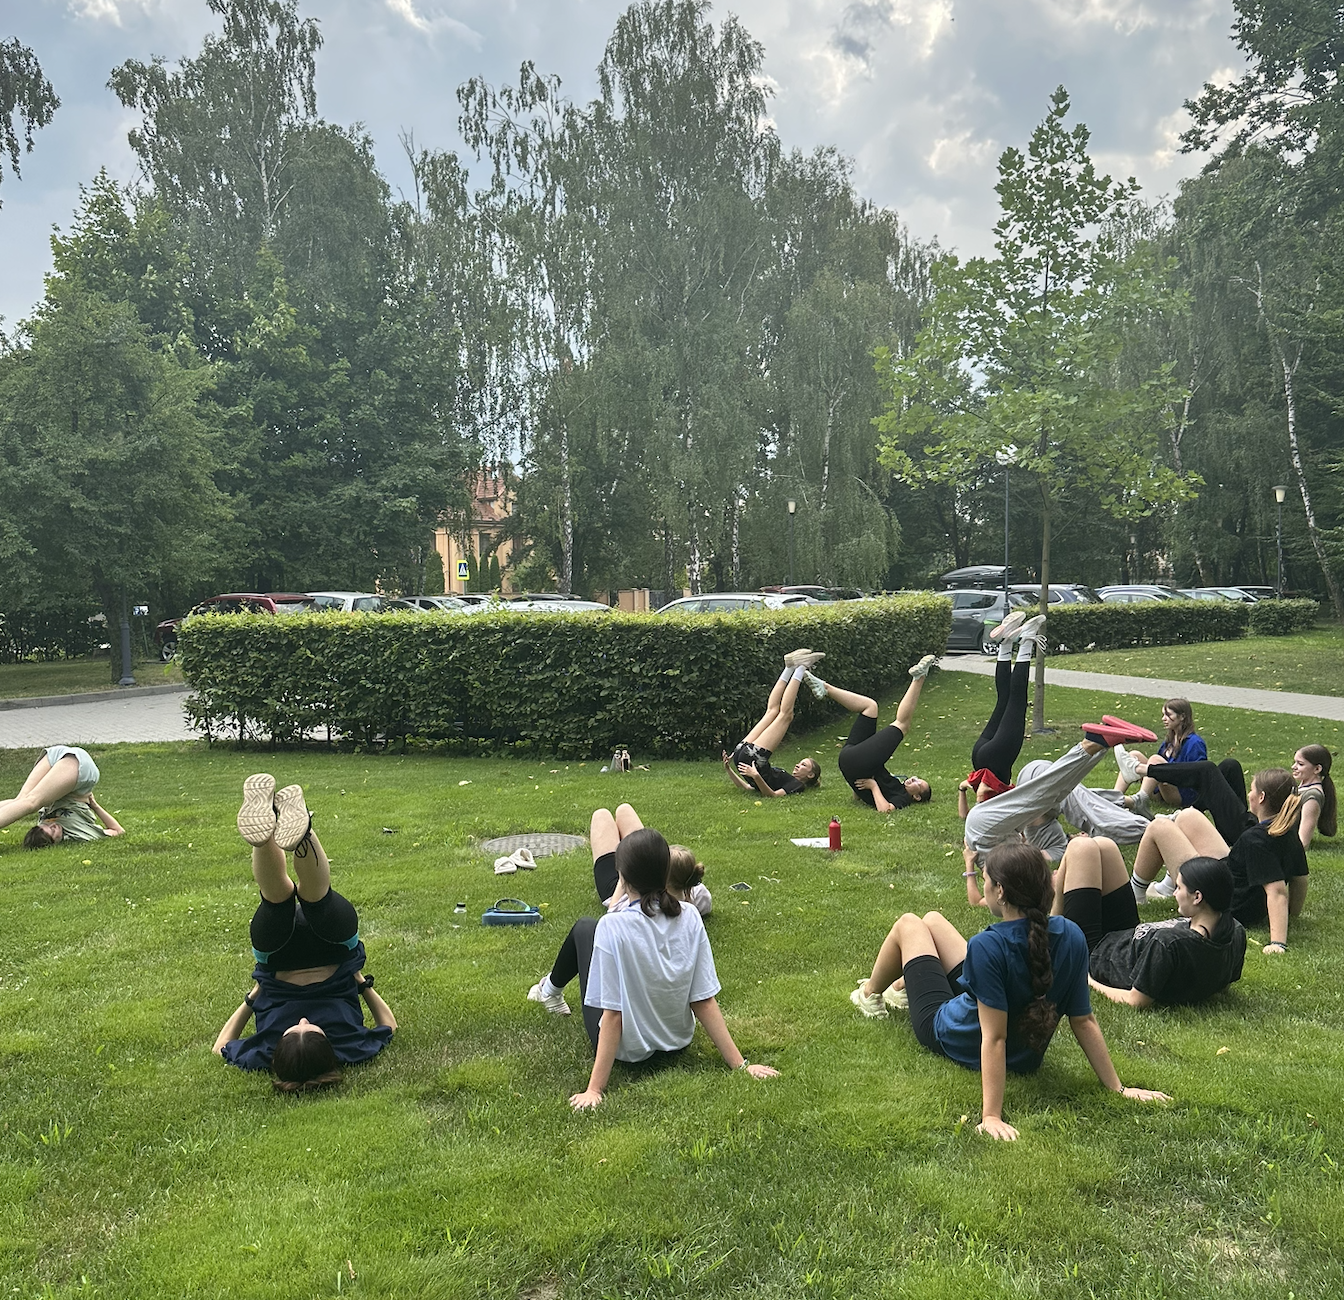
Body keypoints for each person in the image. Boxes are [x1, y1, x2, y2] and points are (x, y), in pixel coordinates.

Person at [849, 842, 1170, 1141]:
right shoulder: (1070, 934)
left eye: (986, 879)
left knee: (909, 923)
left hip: (948, 1033)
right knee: (932, 920)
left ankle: (870, 994)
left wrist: (991, 1116)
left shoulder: (987, 946)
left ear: (999, 891)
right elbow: (1083, 1021)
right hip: (1026, 1056)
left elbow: (994, 1037)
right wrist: (1118, 1088)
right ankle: (901, 985)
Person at [527, 822, 778, 1109]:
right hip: (677, 1040)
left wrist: (594, 1090)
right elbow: (703, 1000)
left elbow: (613, 1014)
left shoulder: (613, 926)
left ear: (622, 876)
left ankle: (550, 990)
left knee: (585, 928)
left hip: (627, 1049)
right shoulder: (691, 915)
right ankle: (549, 989)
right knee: (592, 929)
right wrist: (741, 1065)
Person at [213, 775, 396, 1091]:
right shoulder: (350, 1049)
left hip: (279, 955)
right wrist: (361, 983)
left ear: (277, 1052)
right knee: (318, 898)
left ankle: (267, 834)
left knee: (277, 898)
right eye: (312, 1030)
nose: (302, 1022)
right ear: (329, 1050)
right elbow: (388, 1027)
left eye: (291, 1030)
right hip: (333, 949)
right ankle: (299, 834)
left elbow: (220, 1048)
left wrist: (251, 998)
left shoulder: (265, 1054)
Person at [1128, 768, 1307, 954]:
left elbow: (1276, 891)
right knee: (1188, 816)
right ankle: (1164, 887)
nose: (1248, 794)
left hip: (1218, 899)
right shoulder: (1287, 832)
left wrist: (1278, 943)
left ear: (1261, 797)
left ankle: (1135, 894)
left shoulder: (1257, 840)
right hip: (1227, 877)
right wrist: (1293, 914)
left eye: (1252, 790)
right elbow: (1300, 879)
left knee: (1159, 827)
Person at [1050, 837, 1246, 1008]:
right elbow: (1222, 983)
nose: (1175, 894)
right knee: (1105, 846)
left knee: (1080, 847)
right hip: (1126, 937)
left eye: (1178, 888)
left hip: (1095, 952)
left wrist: (1087, 980)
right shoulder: (1234, 931)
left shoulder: (1168, 944)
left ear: (1197, 897)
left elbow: (1136, 1001)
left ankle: (1049, 936)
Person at [962, 716, 1158, 866]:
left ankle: (1093, 743)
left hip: (983, 834)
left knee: (1046, 791)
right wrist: (1072, 840)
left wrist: (969, 866)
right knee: (1059, 789)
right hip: (993, 830)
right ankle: (1103, 743)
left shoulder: (1000, 874)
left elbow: (979, 901)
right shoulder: (1034, 856)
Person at [800, 653, 939, 812]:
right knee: (869, 708)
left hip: (856, 763)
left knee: (902, 725)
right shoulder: (895, 784)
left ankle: (919, 678)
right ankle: (825, 688)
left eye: (918, 783)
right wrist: (858, 791)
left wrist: (873, 786)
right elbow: (859, 794)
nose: (913, 778)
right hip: (850, 758)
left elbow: (885, 809)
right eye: (917, 778)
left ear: (917, 797)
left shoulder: (902, 798)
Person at [957, 612, 1047, 817]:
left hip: (998, 756)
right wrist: (963, 789)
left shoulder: (996, 809)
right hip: (978, 756)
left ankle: (1026, 641)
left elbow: (979, 800)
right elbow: (964, 815)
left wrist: (983, 792)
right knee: (1004, 699)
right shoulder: (975, 793)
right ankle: (1005, 644)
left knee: (1017, 701)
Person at [722, 650, 824, 797]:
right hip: (744, 757)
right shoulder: (785, 777)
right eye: (801, 763)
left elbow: (773, 795)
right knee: (772, 711)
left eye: (804, 765)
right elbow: (748, 787)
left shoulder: (797, 785)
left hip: (751, 760)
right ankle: (789, 667)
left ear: (810, 775)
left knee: (786, 715)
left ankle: (801, 667)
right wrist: (730, 769)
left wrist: (755, 775)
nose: (797, 765)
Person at [590, 802, 712, 917]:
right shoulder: (698, 895)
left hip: (618, 886)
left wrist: (623, 878)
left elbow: (613, 914)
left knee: (601, 815)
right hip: (645, 868)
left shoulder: (641, 904)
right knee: (624, 809)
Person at [0, 746, 125, 847]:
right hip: (81, 771)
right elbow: (118, 831)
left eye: (47, 826)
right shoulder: (76, 832)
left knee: (23, 800)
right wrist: (95, 806)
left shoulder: (42, 821)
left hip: (56, 756)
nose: (53, 825)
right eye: (53, 831)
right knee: (30, 802)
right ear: (55, 843)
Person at [1113, 698, 1207, 813]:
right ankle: (1115, 797)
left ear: (1182, 717)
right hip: (1161, 789)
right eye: (1163, 715)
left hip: (1182, 793)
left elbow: (1199, 775)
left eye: (1168, 715)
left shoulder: (1195, 743)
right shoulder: (1170, 740)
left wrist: (1171, 776)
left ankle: (1140, 799)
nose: (1164, 719)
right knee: (1133, 755)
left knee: (1155, 760)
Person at [1292, 745, 1337, 849]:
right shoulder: (1303, 787)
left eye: (1300, 764)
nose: (1294, 767)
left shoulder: (1312, 797)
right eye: (1295, 762)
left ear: (1317, 769)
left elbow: (1303, 842)